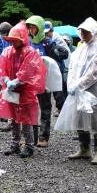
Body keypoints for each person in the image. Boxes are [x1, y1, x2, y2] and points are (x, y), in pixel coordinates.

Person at [0, 22, 46, 158]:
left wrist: (18, 80)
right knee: (14, 118)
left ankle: (29, 146)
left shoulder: (30, 52)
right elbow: (1, 66)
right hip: (12, 89)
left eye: (16, 40)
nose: (13, 43)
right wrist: (7, 80)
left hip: (25, 90)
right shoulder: (8, 51)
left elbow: (29, 71)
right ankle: (15, 144)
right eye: (12, 40)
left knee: (26, 119)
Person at [66, 17, 97, 164]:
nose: (83, 34)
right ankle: (84, 149)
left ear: (94, 32)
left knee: (96, 118)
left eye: (86, 31)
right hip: (78, 90)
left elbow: (95, 72)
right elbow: (72, 67)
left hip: (94, 89)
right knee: (79, 116)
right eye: (82, 31)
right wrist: (71, 84)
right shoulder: (80, 48)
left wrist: (79, 84)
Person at [25, 15, 67, 148]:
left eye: (34, 27)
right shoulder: (28, 42)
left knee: (45, 108)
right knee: (29, 108)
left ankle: (43, 136)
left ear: (40, 28)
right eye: (30, 27)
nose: (31, 30)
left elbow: (58, 58)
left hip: (44, 80)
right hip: (30, 80)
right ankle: (30, 137)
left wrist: (60, 52)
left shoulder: (48, 43)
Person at [44, 21, 70, 112]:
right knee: (48, 93)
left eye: (48, 32)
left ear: (52, 30)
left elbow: (66, 54)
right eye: (45, 33)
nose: (47, 34)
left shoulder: (57, 38)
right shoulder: (43, 40)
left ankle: (63, 110)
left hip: (59, 68)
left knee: (60, 92)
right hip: (48, 69)